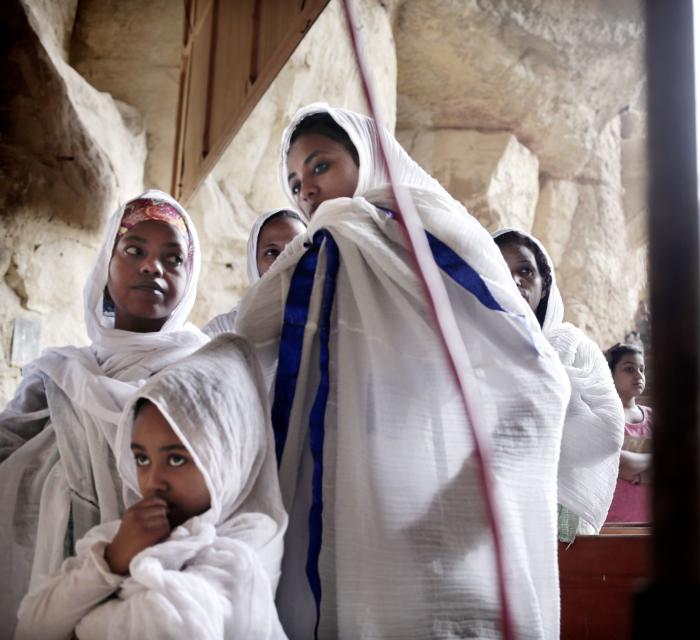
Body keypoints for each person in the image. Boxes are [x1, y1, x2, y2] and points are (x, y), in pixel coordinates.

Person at [236, 104, 568, 638]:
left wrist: (461, 508)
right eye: (295, 182)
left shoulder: (433, 225)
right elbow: (251, 327)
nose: (308, 191)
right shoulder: (324, 252)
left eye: (321, 166)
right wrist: (322, 233)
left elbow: (538, 380)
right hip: (346, 509)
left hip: (433, 507)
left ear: (366, 159)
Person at [0, 191, 208, 636]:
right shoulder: (56, 373)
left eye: (173, 259)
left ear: (189, 279)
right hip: (47, 588)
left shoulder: (204, 374)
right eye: (134, 251)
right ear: (106, 268)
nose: (153, 266)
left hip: (160, 589)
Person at [15, 335, 287, 639]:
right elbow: (32, 624)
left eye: (176, 459)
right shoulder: (125, 535)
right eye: (142, 459)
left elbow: (165, 624)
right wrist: (111, 561)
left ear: (226, 456)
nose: (153, 481)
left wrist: (81, 619)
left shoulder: (249, 540)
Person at [492, 229, 623, 542]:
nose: (515, 280)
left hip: (559, 522)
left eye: (525, 270)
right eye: (500, 269)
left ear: (544, 283)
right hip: (484, 516)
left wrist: (544, 394)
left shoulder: (573, 347)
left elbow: (609, 432)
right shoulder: (464, 347)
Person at [204, 209, 306, 337]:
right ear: (254, 262)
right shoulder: (222, 332)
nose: (285, 262)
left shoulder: (332, 325)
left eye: (297, 249)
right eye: (272, 252)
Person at [603, 343, 653, 524]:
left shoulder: (652, 417)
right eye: (629, 369)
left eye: (641, 369)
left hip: (651, 523)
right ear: (611, 374)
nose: (638, 375)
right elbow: (613, 461)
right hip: (611, 522)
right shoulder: (604, 416)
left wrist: (633, 471)